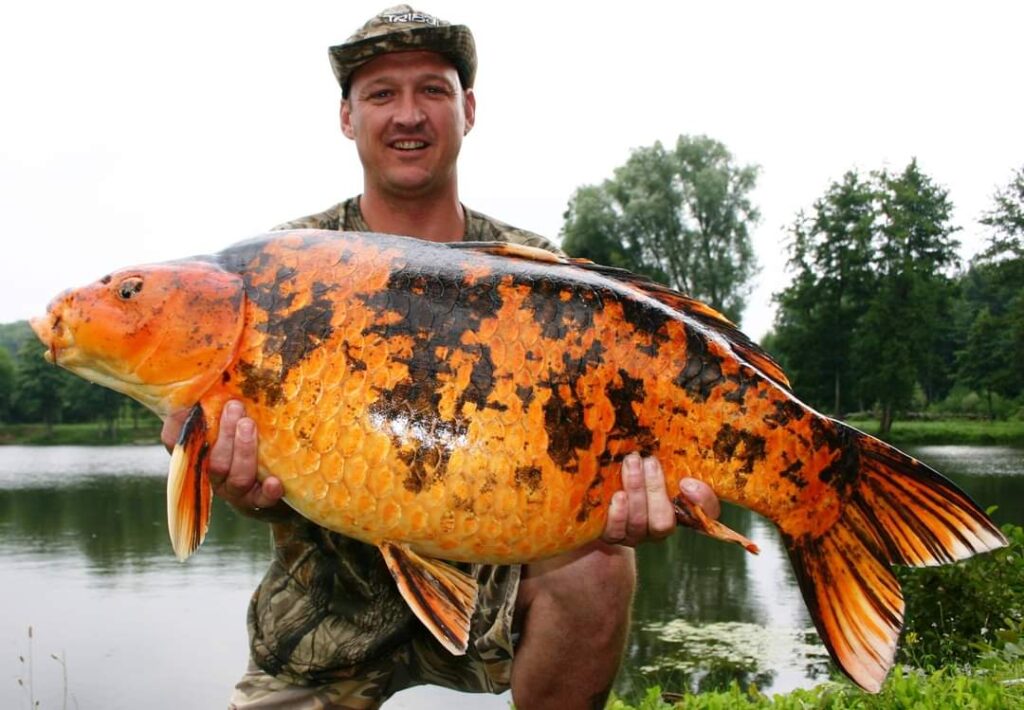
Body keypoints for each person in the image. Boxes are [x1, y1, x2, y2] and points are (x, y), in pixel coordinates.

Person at [162, 6, 721, 709]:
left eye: (432, 89)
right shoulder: (288, 263)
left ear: (469, 109)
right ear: (346, 117)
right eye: (380, 93)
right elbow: (263, 466)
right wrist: (237, 485)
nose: (408, 114)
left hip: (496, 575)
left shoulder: (531, 271)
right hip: (323, 607)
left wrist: (621, 499)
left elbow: (600, 441)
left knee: (599, 563)